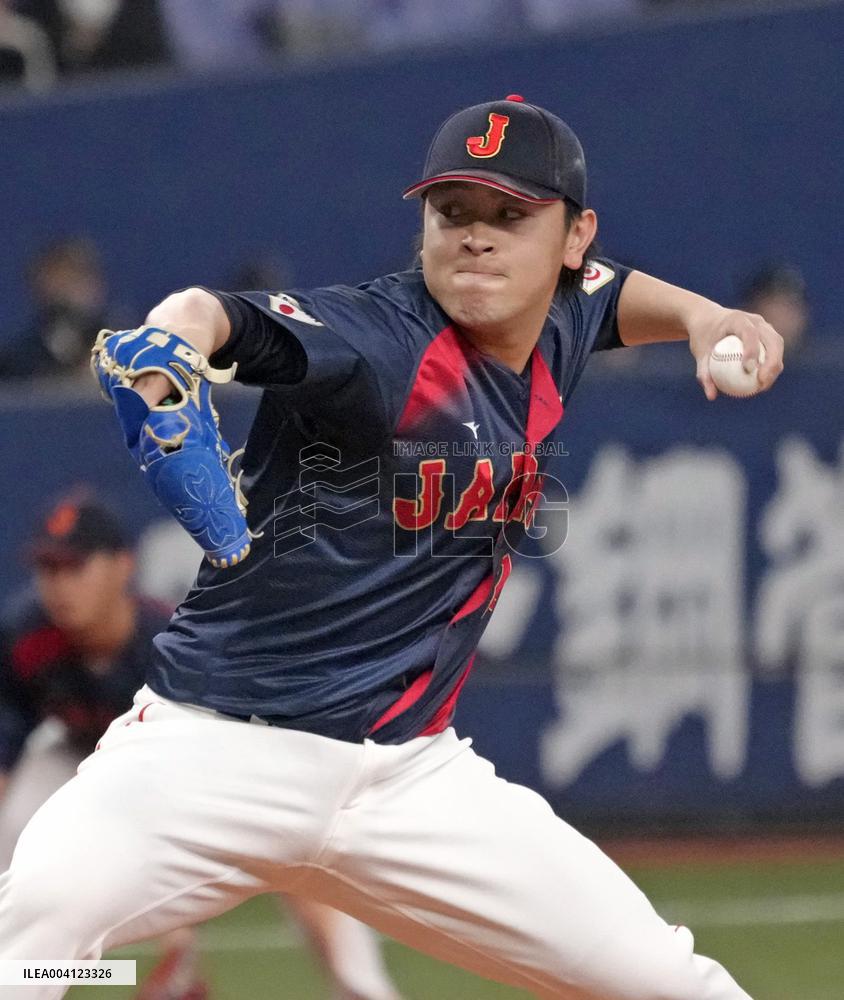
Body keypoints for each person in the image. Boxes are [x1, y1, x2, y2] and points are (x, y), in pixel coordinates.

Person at [0, 95, 783, 999]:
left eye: (511, 215)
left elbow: (611, 297)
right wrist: (173, 337)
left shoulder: (562, 313)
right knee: (24, 953)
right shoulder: (374, 337)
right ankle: (116, 976)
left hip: (411, 781)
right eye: (453, 213)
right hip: (212, 752)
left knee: (670, 981)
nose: (477, 237)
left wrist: (703, 317)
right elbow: (220, 316)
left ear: (574, 241)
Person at [0, 496, 401, 1000]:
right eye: (47, 567)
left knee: (297, 852)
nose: (59, 584)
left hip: (189, 768)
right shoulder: (24, 635)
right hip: (77, 756)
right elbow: (8, 746)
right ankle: (28, 979)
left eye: (75, 566)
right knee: (18, 828)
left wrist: (179, 931)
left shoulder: (172, 644)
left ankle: (369, 991)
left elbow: (192, 781)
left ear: (123, 566)